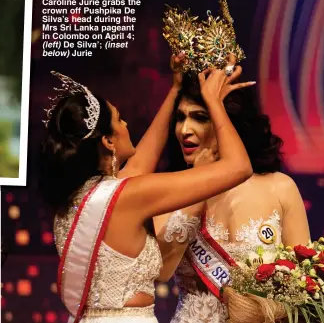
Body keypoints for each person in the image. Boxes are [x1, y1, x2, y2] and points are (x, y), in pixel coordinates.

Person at [38, 53, 255, 323]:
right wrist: (212, 101)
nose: (127, 124)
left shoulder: (81, 196)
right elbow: (239, 167)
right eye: (120, 120)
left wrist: (175, 87)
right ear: (107, 141)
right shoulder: (128, 195)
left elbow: (141, 163)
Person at [153, 73, 311, 323]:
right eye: (180, 117)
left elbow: (304, 287)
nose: (184, 130)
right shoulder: (168, 189)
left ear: (229, 123)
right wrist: (199, 183)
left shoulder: (280, 188)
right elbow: (160, 271)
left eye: (200, 117)